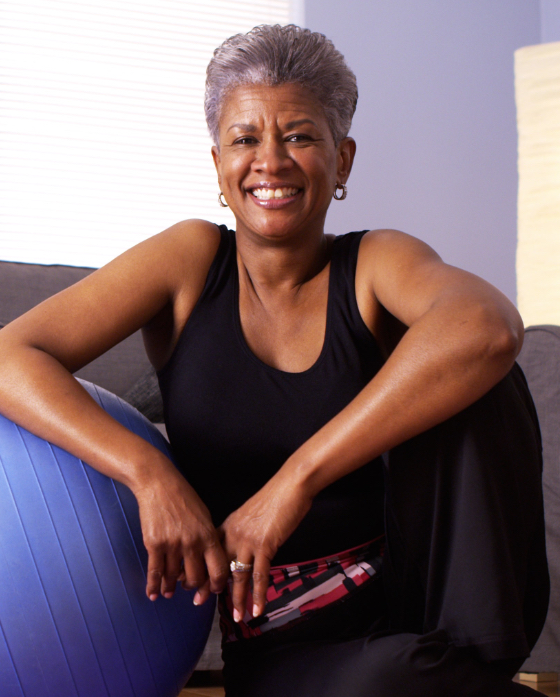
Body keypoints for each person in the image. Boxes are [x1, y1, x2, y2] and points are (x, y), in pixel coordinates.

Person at [0, 24, 548, 697]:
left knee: (479, 366)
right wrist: (150, 474)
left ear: (341, 160)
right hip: (286, 643)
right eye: (246, 138)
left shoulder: (374, 263)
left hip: (427, 603)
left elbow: (489, 327)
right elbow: (9, 355)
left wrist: (296, 480)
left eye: (299, 136)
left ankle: (472, 663)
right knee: (386, 680)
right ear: (217, 164)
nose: (272, 161)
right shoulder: (189, 260)